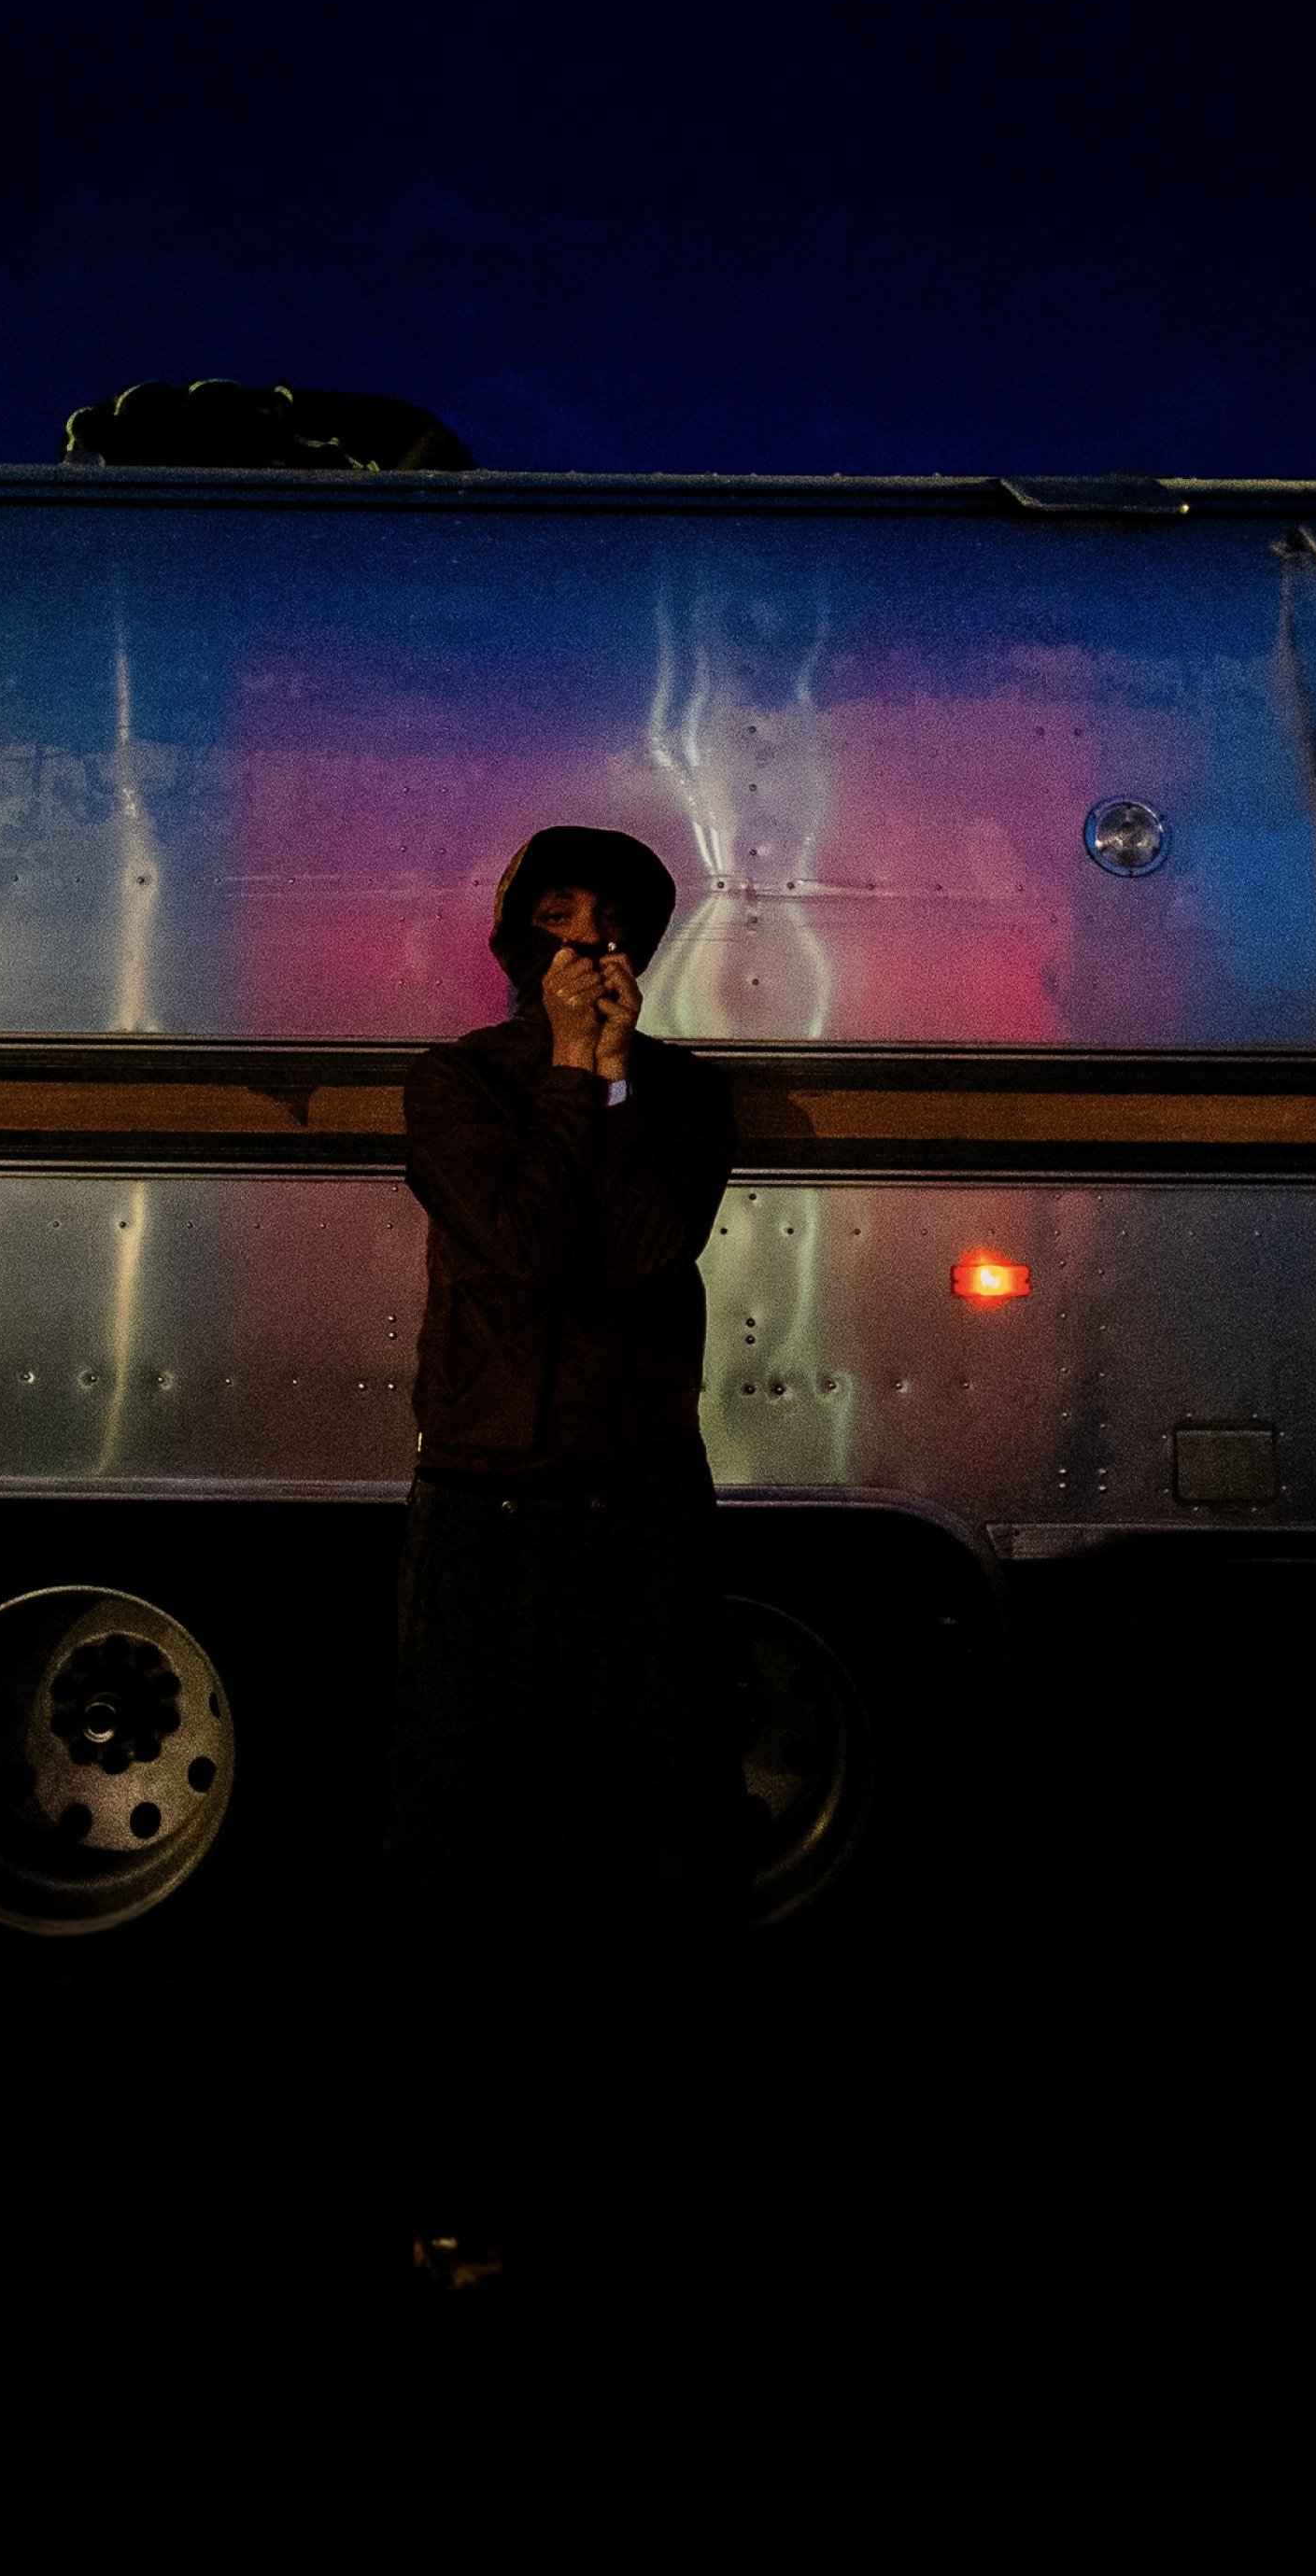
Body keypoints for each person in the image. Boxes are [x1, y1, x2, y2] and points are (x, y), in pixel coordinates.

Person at [385, 825, 745, 2286]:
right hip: (485, 1510)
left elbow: (646, 1250)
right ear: (512, 940)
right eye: (554, 923)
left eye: (606, 931)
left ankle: (631, 2178)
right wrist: (565, 1075)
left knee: (653, 1856)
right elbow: (531, 1250)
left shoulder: (684, 1094)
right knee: (459, 1862)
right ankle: (457, 2183)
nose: (580, 953)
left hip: (640, 1507)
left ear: (641, 954)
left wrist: (606, 1079)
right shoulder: (454, 1085)